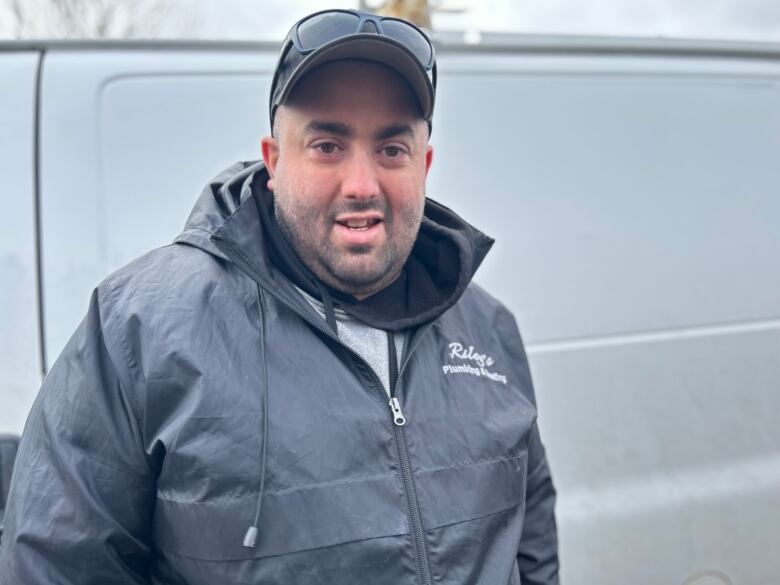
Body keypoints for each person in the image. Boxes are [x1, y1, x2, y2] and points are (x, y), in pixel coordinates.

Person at [0, 8, 558, 585]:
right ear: (274, 162)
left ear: (425, 165)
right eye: (326, 145)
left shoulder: (485, 329)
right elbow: (55, 564)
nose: (361, 184)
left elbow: (529, 531)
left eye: (392, 149)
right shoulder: (139, 331)